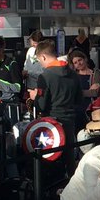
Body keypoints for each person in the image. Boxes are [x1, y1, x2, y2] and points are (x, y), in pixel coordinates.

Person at [31, 38, 83, 176]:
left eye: (40, 61)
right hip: (70, 122)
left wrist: (35, 97)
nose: (41, 64)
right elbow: (79, 99)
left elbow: (41, 105)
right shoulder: (73, 74)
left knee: (51, 159)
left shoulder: (45, 76)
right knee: (69, 159)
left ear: (43, 56)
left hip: (51, 125)